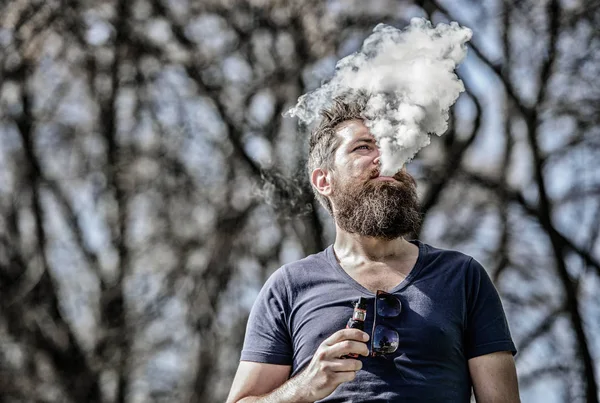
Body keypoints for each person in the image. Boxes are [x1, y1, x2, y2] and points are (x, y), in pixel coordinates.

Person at [226, 95, 520, 402]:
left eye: (393, 145)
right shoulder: (289, 287)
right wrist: (304, 386)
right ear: (324, 180)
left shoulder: (462, 277)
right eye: (364, 147)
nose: (386, 156)